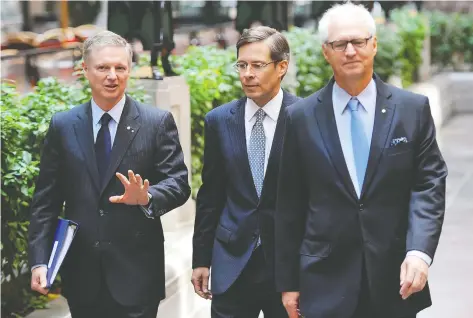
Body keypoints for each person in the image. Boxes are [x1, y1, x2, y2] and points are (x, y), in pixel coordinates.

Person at [275, 3, 447, 318]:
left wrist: (420, 252)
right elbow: (289, 204)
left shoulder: (412, 110)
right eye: (340, 44)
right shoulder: (300, 117)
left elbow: (428, 185)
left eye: (359, 42)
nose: (351, 51)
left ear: (374, 44)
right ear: (326, 52)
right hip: (323, 281)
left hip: (394, 278)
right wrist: (288, 283)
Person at [28, 30, 191, 318]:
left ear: (129, 70)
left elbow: (179, 183)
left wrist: (147, 196)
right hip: (82, 274)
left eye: (120, 68)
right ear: (85, 71)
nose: (112, 76)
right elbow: (46, 200)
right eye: (103, 67)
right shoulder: (63, 126)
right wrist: (40, 261)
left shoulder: (156, 122)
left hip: (137, 273)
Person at [192, 26, 300, 318]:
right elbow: (211, 194)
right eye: (242, 65)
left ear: (282, 67)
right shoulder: (219, 121)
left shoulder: (307, 117)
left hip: (288, 267)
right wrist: (201, 259)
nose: (247, 74)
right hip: (232, 263)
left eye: (257, 65)